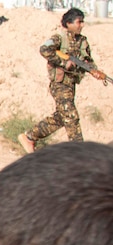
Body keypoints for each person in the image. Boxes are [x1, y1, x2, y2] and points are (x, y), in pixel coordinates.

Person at [18, 8, 107, 153]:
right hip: (59, 84)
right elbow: (44, 49)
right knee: (71, 116)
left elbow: (87, 61)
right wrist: (63, 63)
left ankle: (30, 137)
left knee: (62, 116)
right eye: (79, 22)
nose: (82, 25)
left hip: (71, 83)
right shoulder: (59, 38)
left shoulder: (82, 41)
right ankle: (79, 153)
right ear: (68, 23)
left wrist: (94, 71)